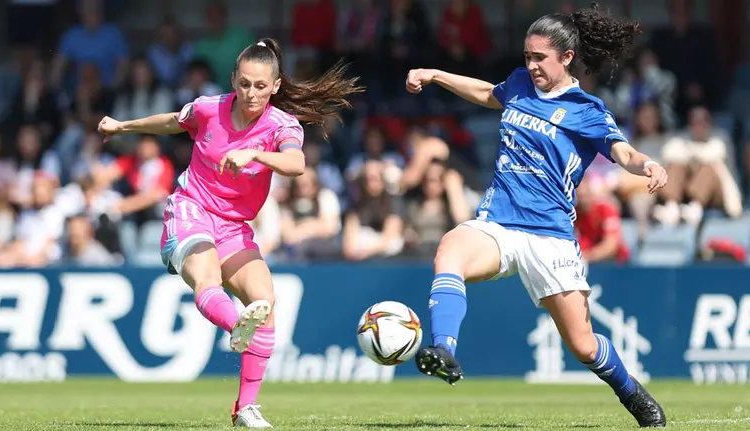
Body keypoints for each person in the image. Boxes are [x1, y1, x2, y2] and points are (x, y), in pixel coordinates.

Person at [404, 3, 668, 428]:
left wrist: (648, 164)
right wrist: (435, 75)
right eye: (527, 56)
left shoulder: (587, 109)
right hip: (498, 224)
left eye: (539, 57)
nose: (531, 65)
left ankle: (632, 393)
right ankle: (444, 350)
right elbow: (488, 93)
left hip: (550, 237)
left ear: (566, 58)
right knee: (450, 249)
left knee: (583, 346)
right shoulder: (521, 84)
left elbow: (622, 151)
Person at [97, 37, 362, 428]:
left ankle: (245, 408)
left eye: (259, 86)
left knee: (265, 301)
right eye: (243, 84)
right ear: (233, 80)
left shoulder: (282, 126)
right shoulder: (209, 109)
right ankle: (236, 324)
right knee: (208, 277)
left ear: (274, 86)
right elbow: (173, 121)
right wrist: (123, 127)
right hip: (191, 209)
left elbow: (295, 163)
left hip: (235, 228)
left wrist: (254, 153)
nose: (250, 93)